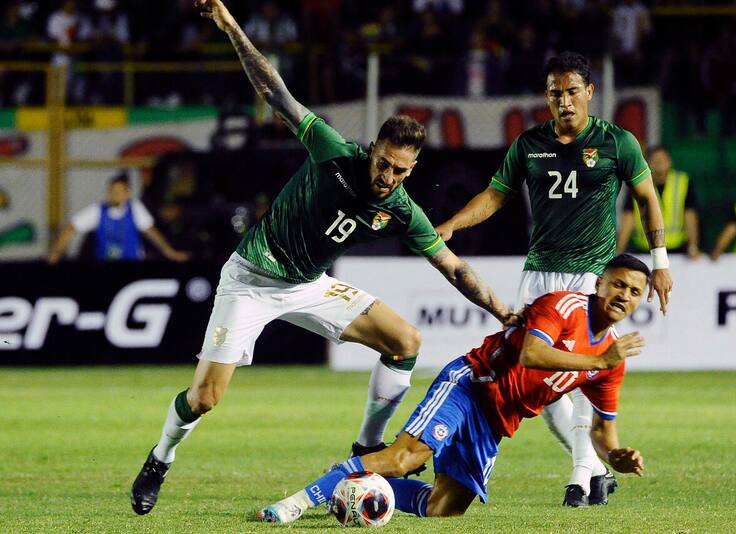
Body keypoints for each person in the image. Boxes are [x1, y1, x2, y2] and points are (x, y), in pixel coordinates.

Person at [129, 0, 514, 516]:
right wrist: (230, 26)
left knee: (405, 341)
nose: (387, 177)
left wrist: (503, 312)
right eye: (383, 163)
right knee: (204, 398)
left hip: (308, 285)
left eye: (400, 171)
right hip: (251, 279)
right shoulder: (332, 151)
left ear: (412, 167)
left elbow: (454, 267)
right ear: (372, 148)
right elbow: (275, 91)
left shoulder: (401, 208)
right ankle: (160, 456)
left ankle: (363, 451)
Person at [434, 51, 672, 506]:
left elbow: (646, 196)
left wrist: (659, 261)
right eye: (554, 93)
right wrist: (453, 225)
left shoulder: (616, 142)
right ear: (547, 96)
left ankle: (581, 477)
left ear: (589, 92)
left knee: (582, 377)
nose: (564, 101)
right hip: (538, 275)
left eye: (572, 91)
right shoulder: (529, 144)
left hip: (591, 278)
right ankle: (594, 467)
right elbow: (494, 195)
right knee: (534, 380)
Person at [260, 254, 649, 523]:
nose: (623, 296)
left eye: (634, 292)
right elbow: (532, 353)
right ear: (599, 283)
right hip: (471, 384)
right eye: (618, 284)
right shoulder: (562, 306)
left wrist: (615, 456)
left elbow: (601, 432)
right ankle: (293, 504)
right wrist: (598, 361)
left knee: (444, 508)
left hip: (496, 422)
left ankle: (352, 479)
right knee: (404, 458)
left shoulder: (611, 360)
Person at [47, 173, 190, 264]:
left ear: (127, 193)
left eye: (120, 192)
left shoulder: (135, 209)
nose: (116, 195)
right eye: (113, 192)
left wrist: (170, 253)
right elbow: (71, 228)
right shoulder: (98, 211)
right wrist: (56, 252)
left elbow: (151, 232)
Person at [617, 145, 702, 258]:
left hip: (676, 251)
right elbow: (628, 217)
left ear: (670, 162)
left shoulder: (682, 181)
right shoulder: (636, 184)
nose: (659, 164)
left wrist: (693, 246)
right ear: (646, 163)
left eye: (663, 160)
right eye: (655, 161)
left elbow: (690, 215)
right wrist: (618, 250)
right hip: (645, 252)